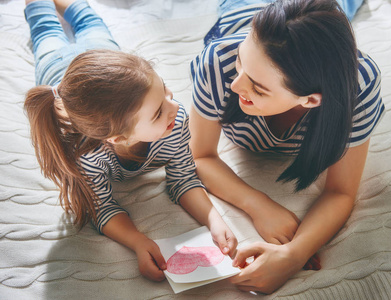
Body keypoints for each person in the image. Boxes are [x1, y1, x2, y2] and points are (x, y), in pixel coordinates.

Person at [23, 0, 237, 282]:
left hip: (103, 61)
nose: (176, 107)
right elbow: (101, 207)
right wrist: (137, 241)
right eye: (159, 111)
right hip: (58, 70)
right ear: (117, 138)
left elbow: (183, 178)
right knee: (45, 28)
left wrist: (214, 220)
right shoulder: (84, 156)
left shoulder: (176, 120)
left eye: (165, 91)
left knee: (89, 22)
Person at [189, 0, 385, 294]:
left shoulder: (359, 85)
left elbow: (341, 191)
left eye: (257, 88)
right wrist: (259, 205)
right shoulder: (218, 63)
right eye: (241, 62)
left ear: (310, 100)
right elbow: (199, 155)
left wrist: (294, 255)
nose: (235, 85)